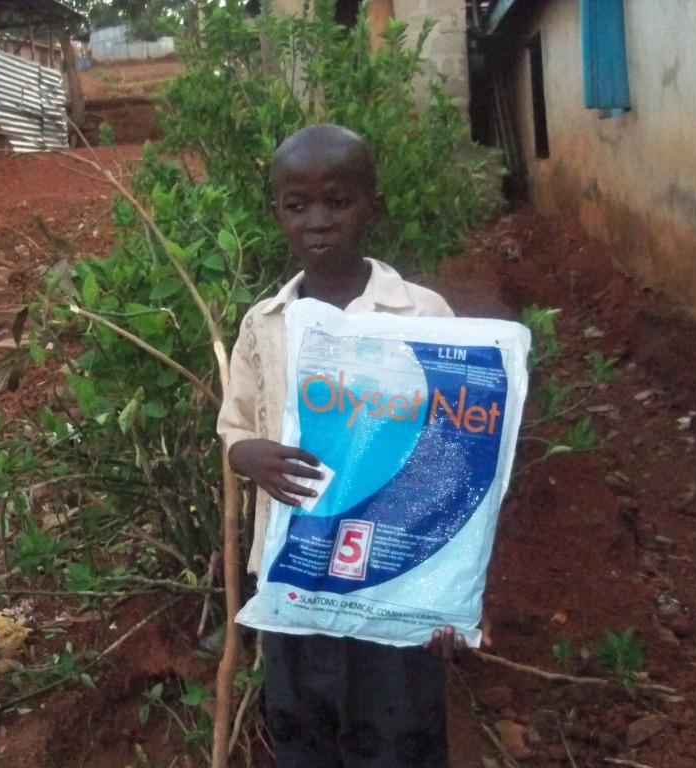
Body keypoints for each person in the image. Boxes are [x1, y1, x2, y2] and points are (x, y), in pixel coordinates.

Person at [217, 123, 490, 768]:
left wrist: (452, 593)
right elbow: (236, 423)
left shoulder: (424, 316)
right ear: (278, 214)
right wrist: (247, 455)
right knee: (304, 733)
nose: (317, 221)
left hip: (397, 583)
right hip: (297, 578)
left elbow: (461, 459)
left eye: (337, 202)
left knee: (398, 736)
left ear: (373, 207)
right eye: (297, 205)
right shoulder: (265, 323)